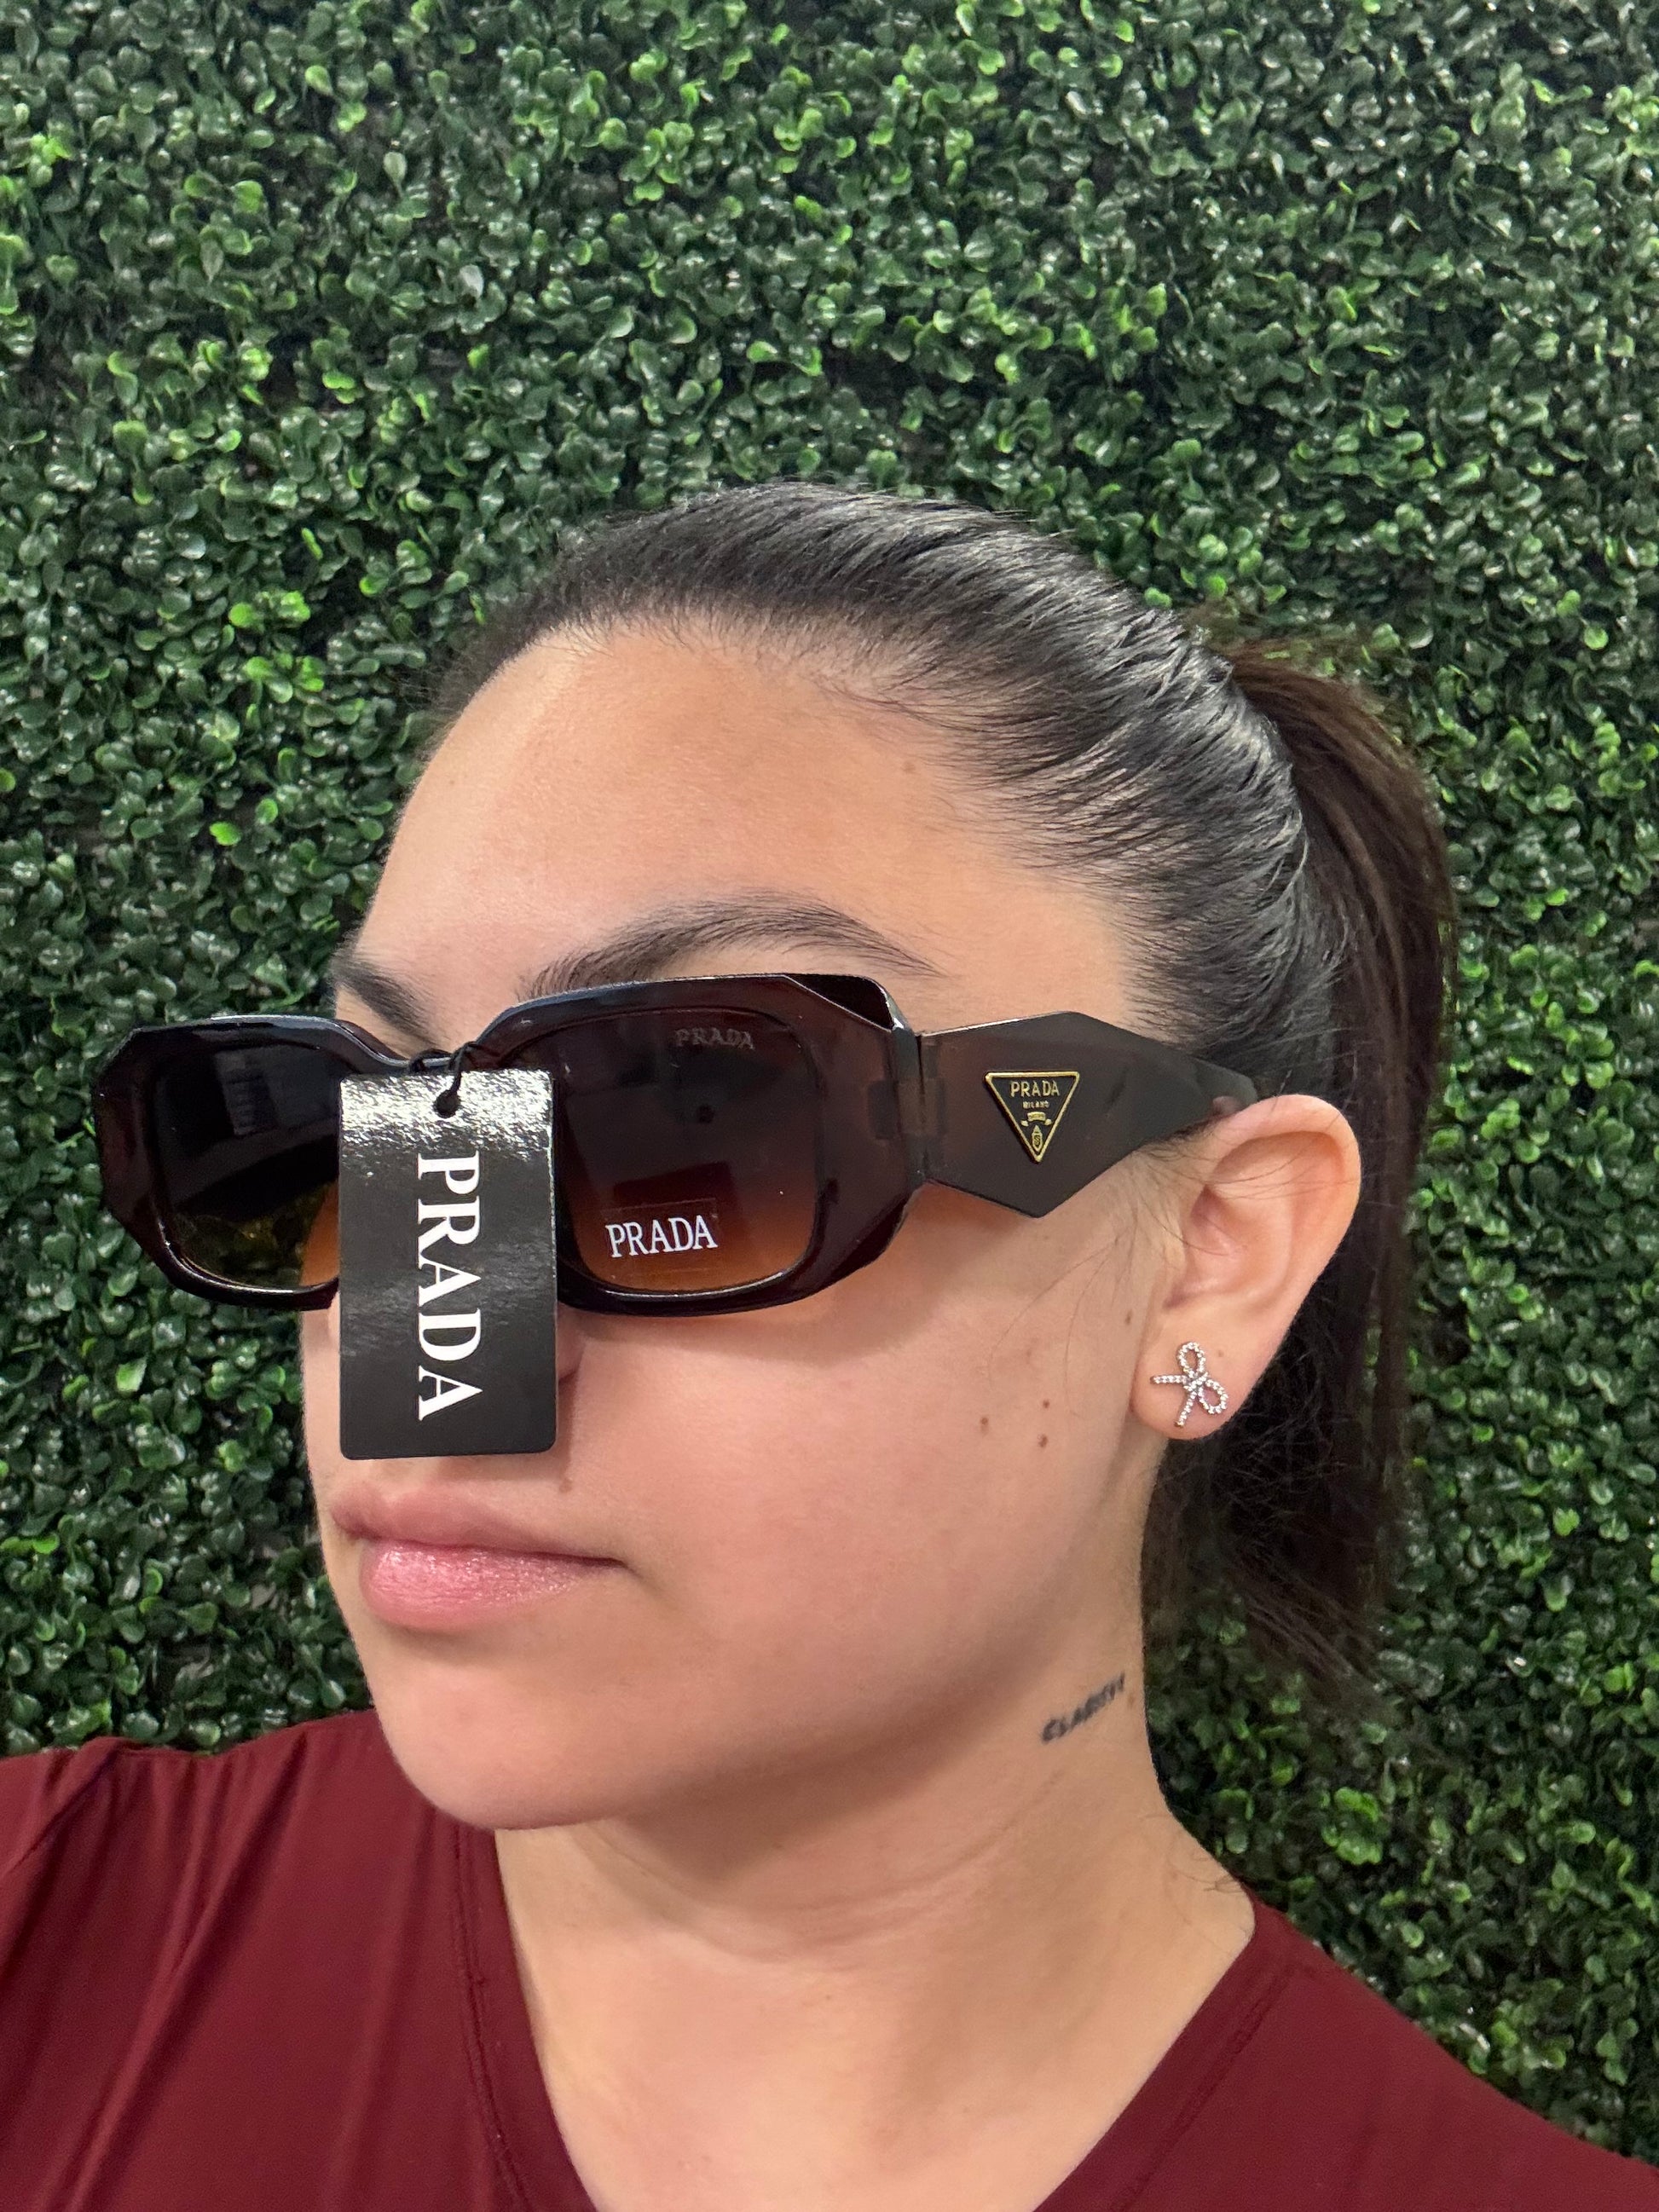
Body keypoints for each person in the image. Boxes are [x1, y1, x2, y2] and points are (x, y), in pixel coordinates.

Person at [3, 482, 1652, 2212]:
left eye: (695, 1129)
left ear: (1212, 1260)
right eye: (368, 1129)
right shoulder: (45, 1933)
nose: (435, 1360)